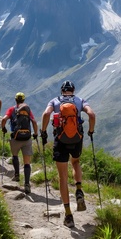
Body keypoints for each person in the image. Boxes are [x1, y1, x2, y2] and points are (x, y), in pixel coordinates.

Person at [41, 80, 95, 228]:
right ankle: (78, 190)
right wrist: (90, 131)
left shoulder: (55, 101)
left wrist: (43, 131)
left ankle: (68, 215)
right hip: (76, 139)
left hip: (60, 140)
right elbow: (91, 114)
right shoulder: (80, 101)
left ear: (62, 90)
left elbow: (46, 114)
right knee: (76, 162)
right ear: (73, 90)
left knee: (62, 177)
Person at [1, 92, 38, 194]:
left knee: (15, 156)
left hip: (15, 138)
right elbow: (34, 122)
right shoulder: (27, 109)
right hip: (27, 138)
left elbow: (4, 119)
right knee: (27, 162)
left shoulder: (12, 109)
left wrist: (3, 128)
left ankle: (17, 175)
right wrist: (35, 133)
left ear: (15, 99)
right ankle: (27, 184)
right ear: (24, 100)